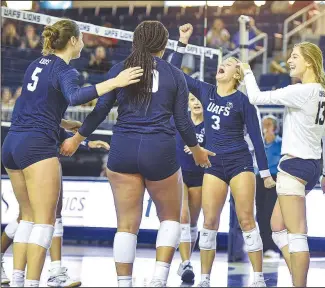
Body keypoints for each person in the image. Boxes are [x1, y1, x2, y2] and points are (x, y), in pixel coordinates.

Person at [59, 21, 214, 288]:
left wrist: (77, 138)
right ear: (164, 45)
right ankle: (158, 279)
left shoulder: (120, 69)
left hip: (124, 149)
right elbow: (182, 120)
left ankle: (124, 283)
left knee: (126, 226)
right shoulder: (174, 74)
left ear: (136, 41)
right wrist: (198, 151)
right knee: (170, 218)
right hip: (159, 150)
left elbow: (99, 111)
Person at [1, 19, 142, 287]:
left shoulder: (35, 64)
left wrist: (68, 127)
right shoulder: (66, 70)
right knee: (45, 222)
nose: (84, 43)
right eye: (82, 38)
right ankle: (34, 282)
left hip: (11, 144)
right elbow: (76, 97)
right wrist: (115, 81)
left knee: (27, 218)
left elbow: (30, 107)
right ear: (74, 41)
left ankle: (18, 280)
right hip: (36, 146)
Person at [171, 24, 275, 287]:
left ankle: (259, 278)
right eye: (223, 62)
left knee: (246, 219)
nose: (223, 65)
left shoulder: (243, 101)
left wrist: (264, 173)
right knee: (209, 222)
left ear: (236, 74)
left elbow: (258, 140)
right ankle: (205, 279)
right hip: (214, 165)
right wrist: (182, 42)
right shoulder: (205, 91)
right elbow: (174, 73)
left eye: (229, 64)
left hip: (240, 163)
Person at [240, 41, 325, 287]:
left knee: (297, 234)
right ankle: (297, 276)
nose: (289, 60)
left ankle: (299, 284)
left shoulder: (302, 91)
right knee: (277, 227)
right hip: (312, 167)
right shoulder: (323, 93)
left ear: (309, 62)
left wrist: (247, 71)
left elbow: (255, 97)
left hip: (294, 167)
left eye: (294, 56)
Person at [1, 128, 110, 287]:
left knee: (27, 216)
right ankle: (51, 273)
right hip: (39, 150)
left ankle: (42, 273)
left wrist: (81, 139)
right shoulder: (49, 107)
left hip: (16, 145)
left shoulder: (31, 106)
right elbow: (53, 118)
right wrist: (82, 136)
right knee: (41, 216)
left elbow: (50, 120)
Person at [173, 93, 205, 283]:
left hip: (201, 176)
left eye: (199, 100)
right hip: (180, 173)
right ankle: (186, 263)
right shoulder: (180, 119)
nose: (196, 103)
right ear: (188, 103)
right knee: (183, 216)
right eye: (192, 100)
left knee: (193, 223)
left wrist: (199, 148)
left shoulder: (210, 124)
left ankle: (187, 261)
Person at [255, 115, 282, 259]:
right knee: (259, 214)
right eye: (264, 124)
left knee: (270, 214)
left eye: (269, 124)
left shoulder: (281, 143)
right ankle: (264, 246)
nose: (265, 126)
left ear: (275, 127)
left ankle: (273, 247)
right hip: (259, 179)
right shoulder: (258, 143)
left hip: (274, 180)